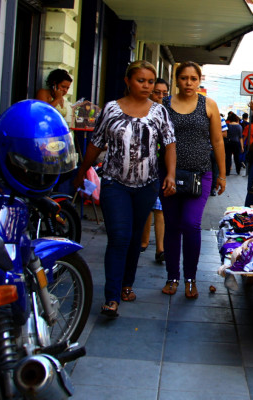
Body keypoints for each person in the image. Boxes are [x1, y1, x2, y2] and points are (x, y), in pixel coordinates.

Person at [73, 60, 176, 318]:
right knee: (119, 236)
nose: (146, 86)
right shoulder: (111, 109)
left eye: (150, 82)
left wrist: (171, 174)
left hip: (147, 184)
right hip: (114, 183)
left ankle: (127, 284)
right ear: (128, 81)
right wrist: (80, 171)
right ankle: (111, 297)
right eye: (141, 80)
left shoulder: (159, 111)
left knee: (133, 239)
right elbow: (96, 144)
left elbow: (170, 143)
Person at [160, 61, 226, 299]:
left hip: (200, 175)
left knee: (190, 224)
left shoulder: (208, 105)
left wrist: (222, 174)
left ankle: (190, 278)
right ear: (176, 79)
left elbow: (218, 142)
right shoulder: (164, 105)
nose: (188, 83)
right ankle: (172, 277)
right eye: (184, 78)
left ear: (200, 80)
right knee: (172, 226)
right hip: (169, 175)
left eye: (193, 78)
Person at [140, 77, 170, 262]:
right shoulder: (141, 110)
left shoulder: (167, 112)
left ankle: (160, 249)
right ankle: (143, 242)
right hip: (142, 166)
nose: (160, 96)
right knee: (145, 206)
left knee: (159, 208)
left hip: (162, 166)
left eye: (164, 93)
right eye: (157, 92)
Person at [211, 116, 228, 196]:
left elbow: (225, 134)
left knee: (215, 171)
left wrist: (212, 134)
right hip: (202, 151)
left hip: (214, 150)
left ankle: (213, 188)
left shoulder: (219, 118)